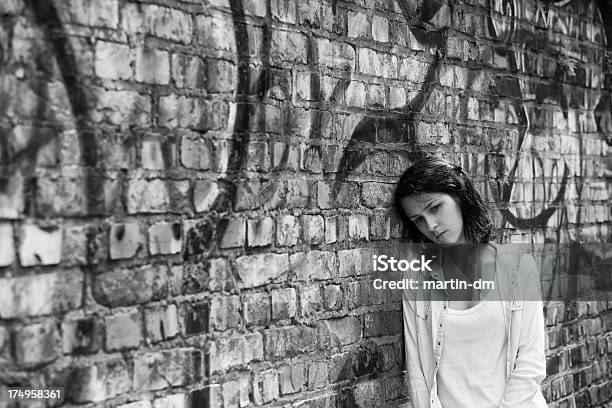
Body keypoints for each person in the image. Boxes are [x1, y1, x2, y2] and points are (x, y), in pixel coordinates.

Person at [394, 156, 548, 408]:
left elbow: (531, 363)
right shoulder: (417, 278)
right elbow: (417, 374)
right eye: (418, 220)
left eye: (434, 208)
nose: (430, 225)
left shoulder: (519, 268)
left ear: (459, 197)